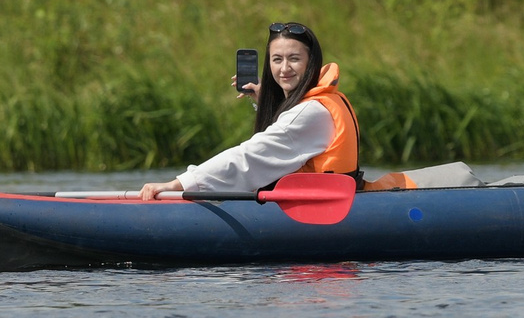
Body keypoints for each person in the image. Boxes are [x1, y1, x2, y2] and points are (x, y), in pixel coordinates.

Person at [139, 21, 360, 200]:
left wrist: (180, 183)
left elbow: (249, 158)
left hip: (320, 211)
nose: (284, 69)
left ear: (311, 62)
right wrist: (268, 104)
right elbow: (291, 142)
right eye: (277, 59)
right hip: (324, 203)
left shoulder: (311, 112)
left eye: (294, 59)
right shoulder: (320, 102)